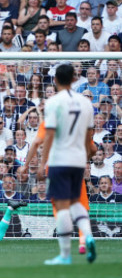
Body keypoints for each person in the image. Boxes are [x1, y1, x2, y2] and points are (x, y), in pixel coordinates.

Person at [39, 63, 96, 265]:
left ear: (55, 80)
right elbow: (89, 136)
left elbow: (50, 134)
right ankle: (88, 236)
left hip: (60, 159)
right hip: (79, 159)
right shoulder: (86, 103)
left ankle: (64, 255)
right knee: (75, 202)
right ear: (74, 79)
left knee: (62, 206)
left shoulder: (54, 102)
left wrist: (42, 162)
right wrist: (87, 154)